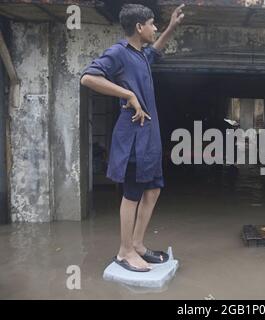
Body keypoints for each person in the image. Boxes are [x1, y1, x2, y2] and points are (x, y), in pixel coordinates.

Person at [80, 3, 185, 272]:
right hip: (133, 137)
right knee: (133, 193)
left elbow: (156, 50)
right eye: (152, 24)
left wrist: (171, 27)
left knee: (153, 189)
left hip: (149, 137)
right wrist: (127, 95)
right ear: (139, 27)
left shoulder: (140, 55)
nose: (155, 28)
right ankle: (124, 252)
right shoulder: (119, 53)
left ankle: (137, 244)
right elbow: (88, 78)